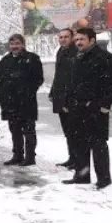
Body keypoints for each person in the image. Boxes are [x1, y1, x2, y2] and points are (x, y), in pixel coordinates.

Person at [64, 27, 112, 188]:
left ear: (92, 40)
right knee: (79, 143)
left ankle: (104, 178)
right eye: (77, 39)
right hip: (77, 108)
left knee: (98, 144)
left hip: (95, 109)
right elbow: (71, 83)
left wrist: (104, 106)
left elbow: (111, 83)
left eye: (82, 39)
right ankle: (82, 175)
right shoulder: (77, 57)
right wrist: (68, 102)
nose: (78, 42)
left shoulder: (104, 58)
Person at [0, 33, 44, 166]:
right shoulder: (5, 60)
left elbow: (39, 78)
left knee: (29, 130)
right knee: (15, 130)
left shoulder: (32, 58)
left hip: (27, 102)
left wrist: (28, 91)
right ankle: (17, 155)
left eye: (17, 43)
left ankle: (30, 157)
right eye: (12, 44)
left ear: (23, 44)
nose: (15, 46)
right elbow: (1, 80)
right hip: (10, 102)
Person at [50, 28, 79, 168]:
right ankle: (72, 157)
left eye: (66, 37)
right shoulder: (60, 52)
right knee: (67, 131)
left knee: (75, 131)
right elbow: (59, 75)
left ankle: (78, 160)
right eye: (61, 37)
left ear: (72, 37)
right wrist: (52, 92)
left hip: (72, 99)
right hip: (60, 97)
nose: (63, 39)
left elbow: (73, 78)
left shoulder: (76, 52)